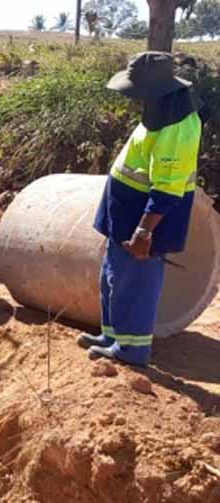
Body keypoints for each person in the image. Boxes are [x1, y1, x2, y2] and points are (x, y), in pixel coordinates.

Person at [78, 51, 202, 367]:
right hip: (125, 214)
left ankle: (132, 350)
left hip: (142, 222)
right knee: (114, 278)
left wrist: (145, 230)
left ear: (155, 90)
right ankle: (112, 336)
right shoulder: (161, 111)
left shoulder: (177, 128)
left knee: (136, 285)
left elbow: (167, 186)